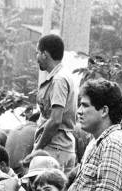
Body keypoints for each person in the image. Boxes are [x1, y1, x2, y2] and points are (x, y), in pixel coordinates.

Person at [33, 34, 78, 171]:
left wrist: (37, 149)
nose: (36, 57)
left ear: (45, 54)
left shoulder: (58, 80)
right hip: (62, 149)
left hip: (54, 150)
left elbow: (55, 120)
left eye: (37, 53)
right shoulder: (65, 76)